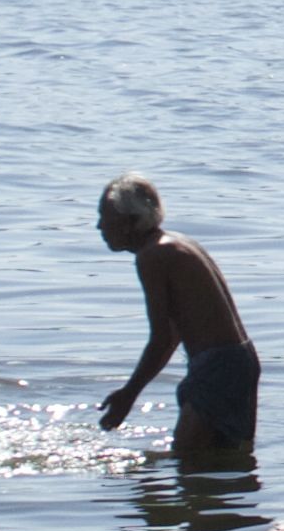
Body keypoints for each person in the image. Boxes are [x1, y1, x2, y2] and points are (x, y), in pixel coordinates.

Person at [93, 175, 260, 464]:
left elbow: (160, 339)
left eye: (104, 217)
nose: (99, 226)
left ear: (130, 221)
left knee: (188, 460)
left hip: (219, 366)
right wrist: (130, 392)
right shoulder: (177, 243)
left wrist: (129, 395)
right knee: (227, 460)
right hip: (239, 361)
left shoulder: (154, 255)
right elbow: (173, 334)